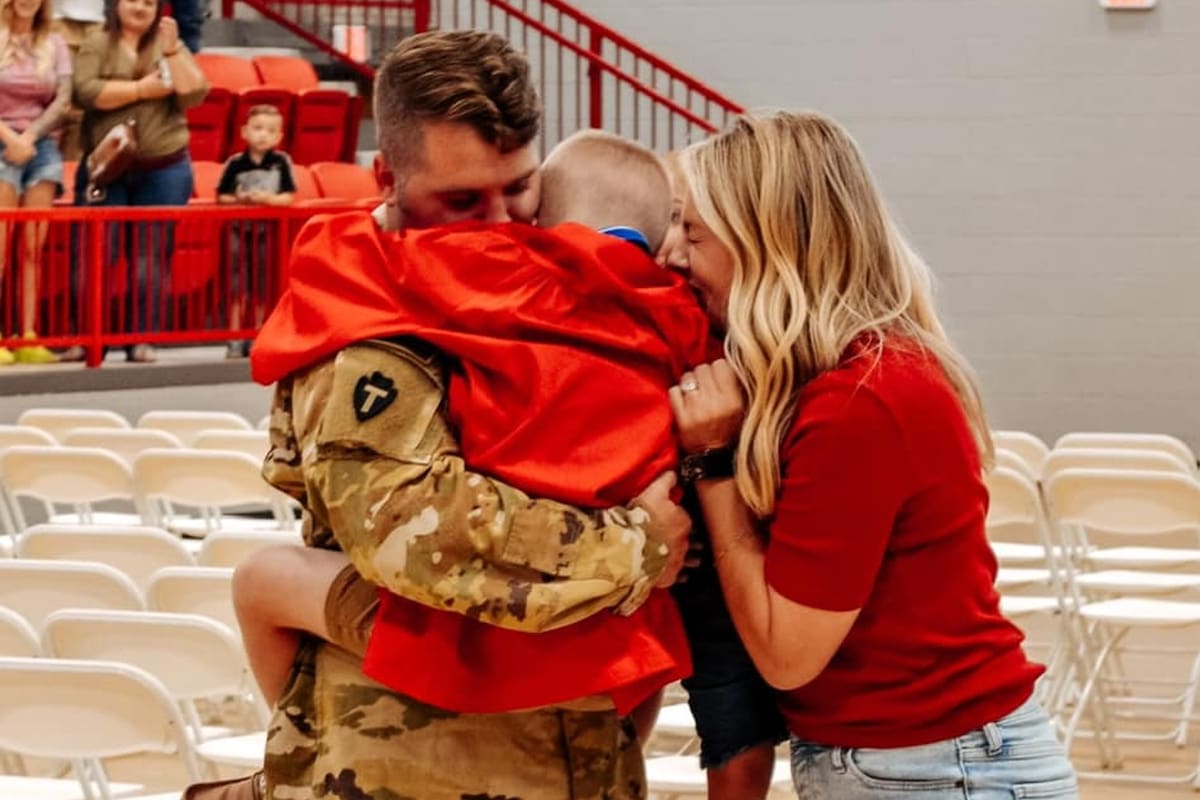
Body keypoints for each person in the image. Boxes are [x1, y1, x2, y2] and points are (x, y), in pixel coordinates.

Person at [182, 32, 693, 800]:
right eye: (461, 202)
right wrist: (638, 545)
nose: (499, 224)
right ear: (388, 177)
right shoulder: (364, 315)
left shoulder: (565, 292)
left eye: (519, 190)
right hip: (411, 763)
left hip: (580, 753)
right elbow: (419, 536)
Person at [669, 110, 1078, 799]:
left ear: (764, 245)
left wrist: (714, 465)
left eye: (693, 232)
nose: (674, 255)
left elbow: (788, 656)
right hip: (916, 760)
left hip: (941, 769)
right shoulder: (842, 378)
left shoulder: (864, 399)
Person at [657, 149, 789, 800]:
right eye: (670, 224)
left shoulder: (769, 352)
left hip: (732, 543)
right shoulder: (652, 300)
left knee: (733, 712)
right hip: (656, 539)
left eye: (691, 231)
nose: (674, 250)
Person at [67, 0, 207, 363]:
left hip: (164, 167)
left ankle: (142, 339)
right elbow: (86, 92)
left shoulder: (169, 41)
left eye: (149, 2)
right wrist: (143, 89)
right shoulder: (97, 41)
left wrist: (174, 50)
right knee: (94, 255)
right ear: (115, 5)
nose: (140, 8)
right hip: (106, 167)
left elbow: (194, 93)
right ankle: (87, 339)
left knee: (151, 258)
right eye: (133, 0)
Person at [0, 0, 70, 365]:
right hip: (2, 141)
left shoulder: (54, 42)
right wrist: (10, 138)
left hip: (40, 145)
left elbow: (63, 99)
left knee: (32, 249)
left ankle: (28, 334)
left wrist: (29, 137)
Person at [216, 103, 295, 359]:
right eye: (257, 128)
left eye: (270, 130)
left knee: (262, 285)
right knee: (238, 286)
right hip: (238, 231)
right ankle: (234, 337)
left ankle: (259, 333)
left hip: (267, 232)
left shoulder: (281, 163)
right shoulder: (235, 164)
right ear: (244, 132)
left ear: (278, 136)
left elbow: (288, 197)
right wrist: (242, 199)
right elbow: (222, 197)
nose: (263, 134)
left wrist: (268, 199)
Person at [50, 0, 102, 160]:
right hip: (57, 18)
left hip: (101, 21)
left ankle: (72, 177)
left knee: (87, 109)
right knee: (57, 104)